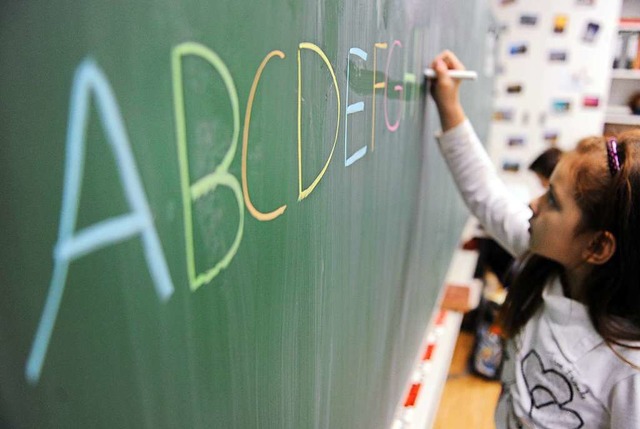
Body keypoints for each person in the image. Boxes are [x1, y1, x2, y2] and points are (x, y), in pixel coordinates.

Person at [429, 50, 640, 428]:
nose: (533, 203)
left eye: (553, 201)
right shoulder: (545, 263)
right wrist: (449, 104)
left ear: (597, 247)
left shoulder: (628, 368)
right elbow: (485, 193)